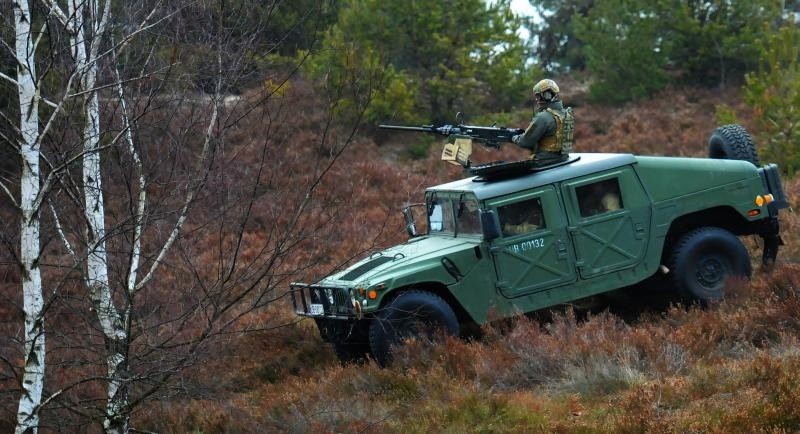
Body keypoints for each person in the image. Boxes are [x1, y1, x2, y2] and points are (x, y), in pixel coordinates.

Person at [512, 79, 575, 164]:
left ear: (547, 95)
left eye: (538, 96)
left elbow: (525, 142)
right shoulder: (567, 114)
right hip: (563, 160)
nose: (537, 99)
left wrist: (513, 137)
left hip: (544, 163)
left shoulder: (543, 117)